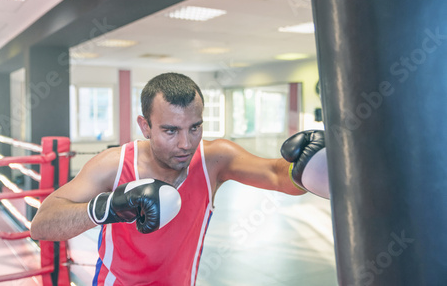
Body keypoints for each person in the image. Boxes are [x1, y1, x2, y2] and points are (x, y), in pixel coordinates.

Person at [30, 72, 327, 286]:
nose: (186, 143)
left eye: (194, 127)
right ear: (145, 126)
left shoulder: (213, 159)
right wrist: (109, 207)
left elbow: (279, 176)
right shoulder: (114, 164)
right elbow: (42, 225)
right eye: (171, 130)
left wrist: (310, 165)